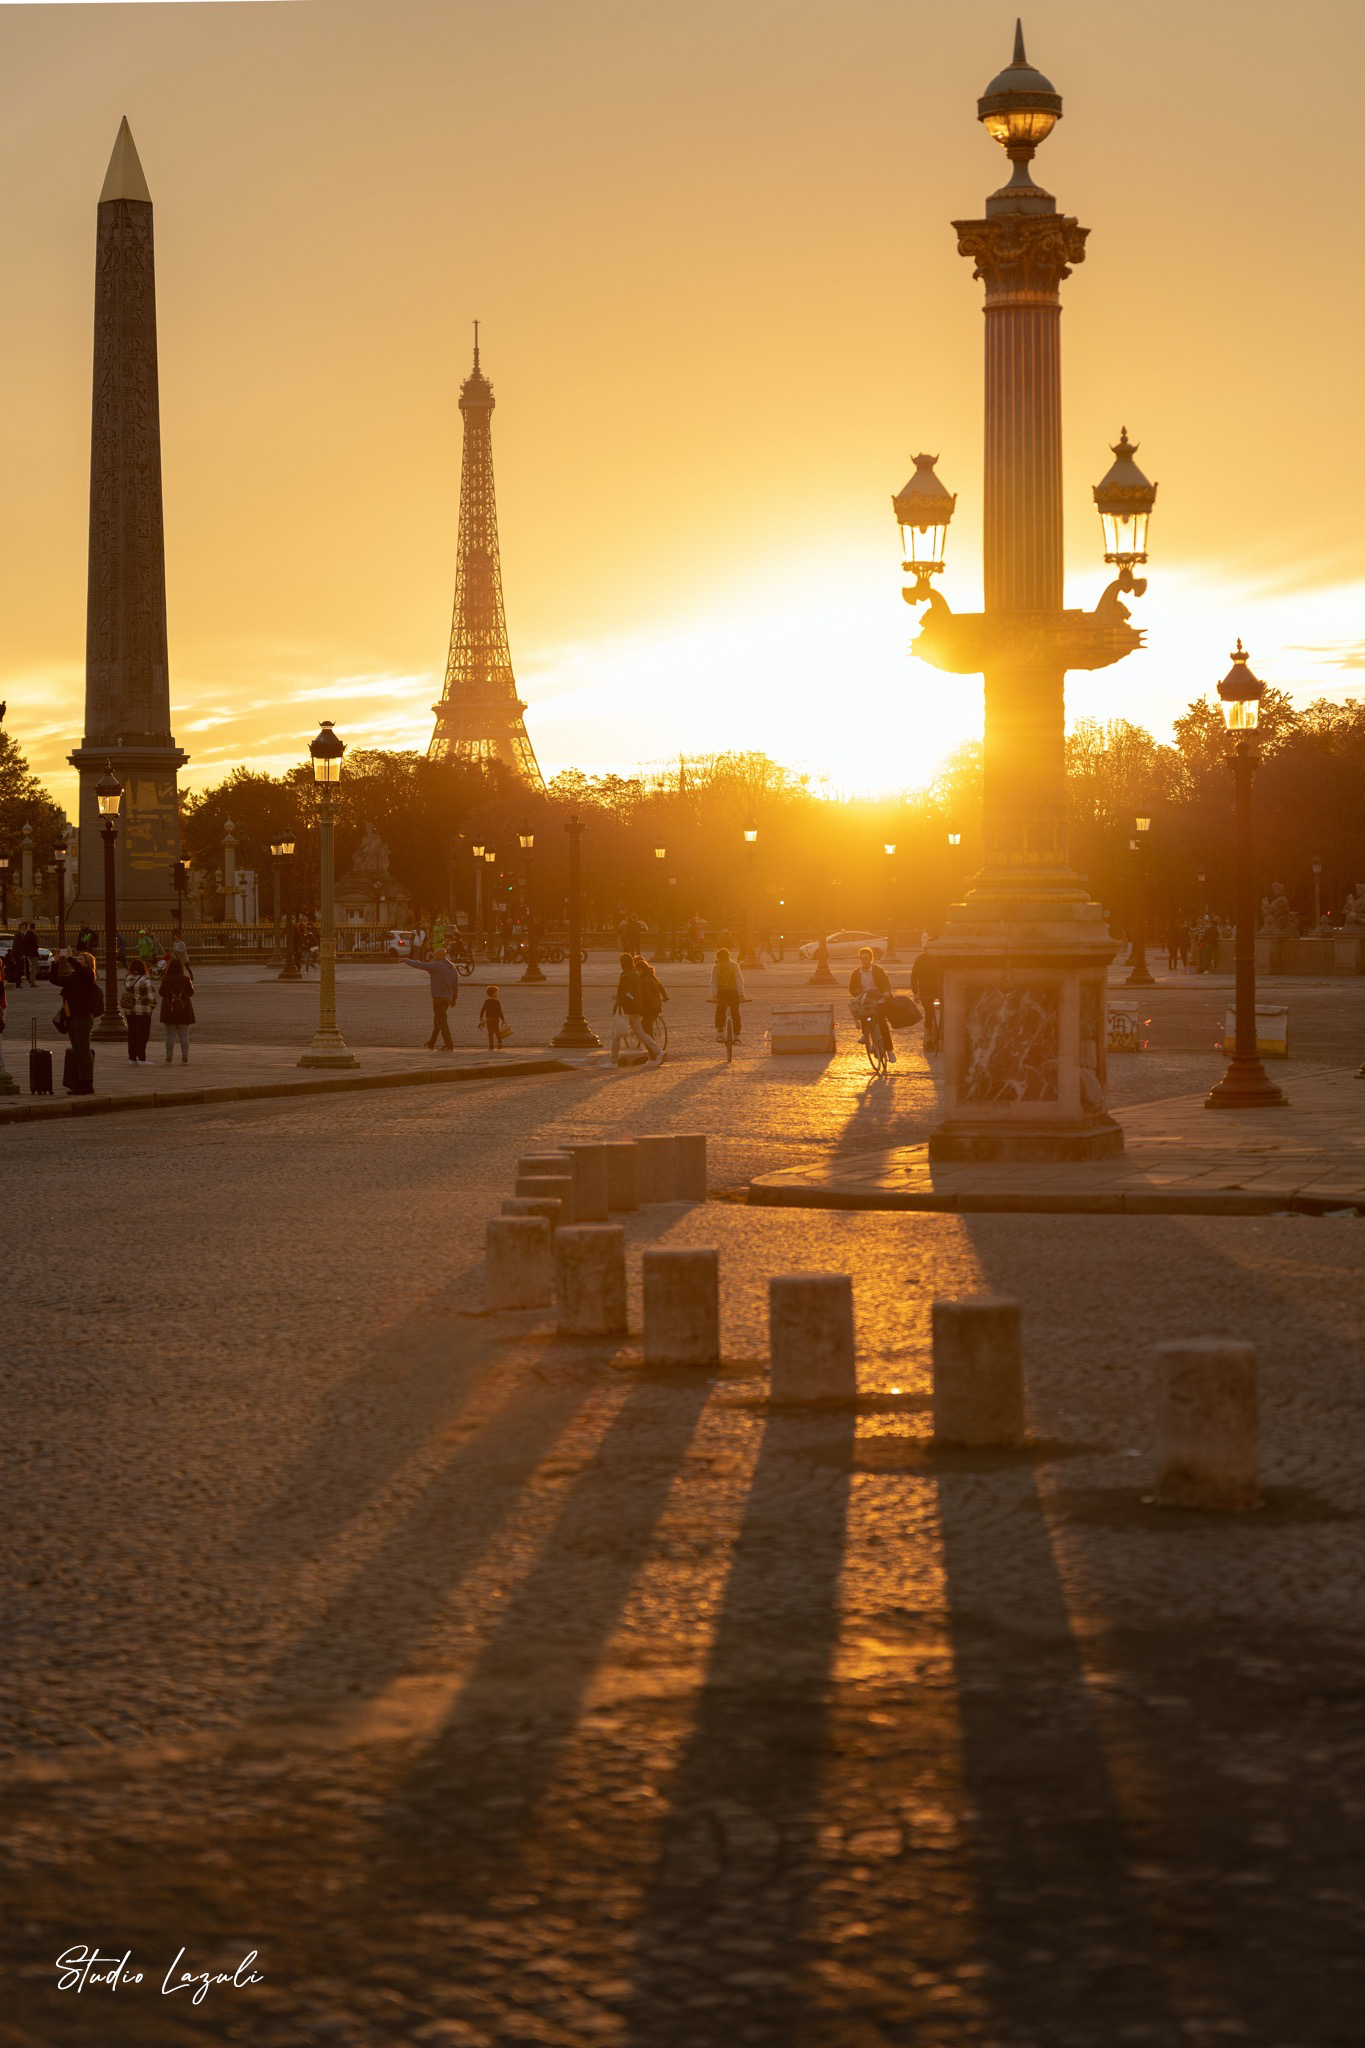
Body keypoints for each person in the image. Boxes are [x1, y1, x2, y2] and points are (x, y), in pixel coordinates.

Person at [405, 942, 462, 1050]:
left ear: (439, 956)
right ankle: (431, 1042)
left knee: (442, 1021)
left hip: (438, 997)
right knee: (438, 1021)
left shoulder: (436, 965)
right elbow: (456, 985)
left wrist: (405, 960)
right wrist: (454, 999)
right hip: (447, 998)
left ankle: (449, 1043)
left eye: (434, 955)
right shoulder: (452, 967)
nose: (433, 956)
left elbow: (420, 964)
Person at [62, 947, 103, 1094]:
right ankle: (81, 1082)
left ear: (87, 963)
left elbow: (80, 971)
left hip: (83, 1018)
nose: (78, 961)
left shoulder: (88, 975)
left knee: (84, 1051)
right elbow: (54, 980)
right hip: (71, 1017)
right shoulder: (74, 977)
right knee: (77, 1051)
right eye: (77, 958)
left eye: (81, 959)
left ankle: (88, 1083)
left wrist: (70, 958)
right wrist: (55, 963)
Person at [613, 950, 662, 1064]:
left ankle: (613, 1061)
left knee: (616, 1035)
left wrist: (625, 999)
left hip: (632, 1009)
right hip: (637, 1009)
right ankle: (659, 1052)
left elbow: (628, 993)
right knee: (641, 1033)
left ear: (622, 964)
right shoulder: (636, 975)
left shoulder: (627, 976)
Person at [848, 945, 895, 1062]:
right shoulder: (856, 973)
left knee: (882, 1023)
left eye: (866, 958)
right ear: (860, 960)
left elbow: (886, 985)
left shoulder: (878, 971)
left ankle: (890, 1051)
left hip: (880, 999)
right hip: (866, 1000)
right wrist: (858, 992)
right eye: (862, 958)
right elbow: (851, 989)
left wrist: (885, 993)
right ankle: (866, 1033)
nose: (864, 961)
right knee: (862, 1010)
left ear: (871, 959)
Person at [159, 952, 195, 1063]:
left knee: (170, 1035)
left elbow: (161, 993)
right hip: (184, 1008)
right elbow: (191, 993)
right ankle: (185, 1056)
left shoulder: (166, 979)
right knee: (184, 1034)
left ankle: (168, 1057)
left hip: (169, 1008)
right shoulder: (186, 979)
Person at [910, 942, 944, 1054]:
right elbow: (914, 976)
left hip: (940, 989)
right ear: (925, 949)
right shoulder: (920, 959)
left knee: (946, 1012)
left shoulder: (941, 958)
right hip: (925, 990)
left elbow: (946, 974)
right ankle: (928, 1038)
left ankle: (944, 1033)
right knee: (928, 1013)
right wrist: (915, 992)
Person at [120, 957, 156, 1062]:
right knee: (142, 1034)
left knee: (132, 1033)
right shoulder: (145, 980)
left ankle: (132, 1057)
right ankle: (142, 1057)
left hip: (129, 1010)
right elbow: (151, 998)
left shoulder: (128, 979)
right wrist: (152, 1007)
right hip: (143, 1011)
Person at [709, 946, 745, 1045]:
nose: (722, 964)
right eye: (720, 961)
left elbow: (739, 980)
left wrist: (741, 994)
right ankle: (720, 1032)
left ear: (728, 959)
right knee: (720, 1008)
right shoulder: (715, 968)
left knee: (735, 1012)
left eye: (724, 961)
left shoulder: (735, 966)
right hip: (721, 992)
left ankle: (736, 1035)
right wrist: (714, 996)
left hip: (734, 992)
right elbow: (714, 982)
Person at [635, 955, 668, 1048]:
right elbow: (660, 986)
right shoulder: (651, 976)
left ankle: (655, 1051)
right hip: (656, 1007)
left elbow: (646, 996)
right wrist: (665, 996)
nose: (637, 972)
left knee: (646, 1032)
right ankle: (654, 1050)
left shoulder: (646, 980)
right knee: (647, 1028)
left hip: (650, 1009)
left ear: (640, 969)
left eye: (637, 970)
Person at [478, 984, 509, 1050]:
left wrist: (481, 1018)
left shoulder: (486, 1001)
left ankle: (491, 1046)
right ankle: (499, 1042)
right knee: (497, 1031)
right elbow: (499, 1012)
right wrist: (503, 1019)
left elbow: (483, 1009)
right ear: (493, 993)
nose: (497, 994)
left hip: (488, 1019)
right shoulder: (497, 1002)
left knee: (490, 1033)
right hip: (495, 1019)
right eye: (496, 992)